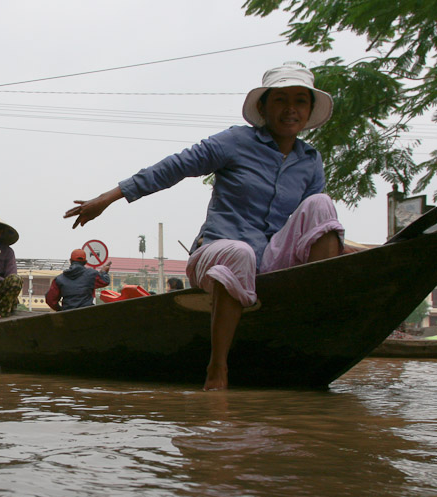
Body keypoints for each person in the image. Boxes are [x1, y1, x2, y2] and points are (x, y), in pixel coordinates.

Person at [64, 63, 345, 390]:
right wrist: (108, 198)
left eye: (300, 101)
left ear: (309, 110)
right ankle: (217, 369)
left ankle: (313, 327)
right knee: (240, 253)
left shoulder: (311, 160)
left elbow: (312, 225)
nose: (291, 109)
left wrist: (344, 248)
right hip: (218, 255)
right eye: (281, 100)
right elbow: (175, 167)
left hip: (272, 261)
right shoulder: (236, 141)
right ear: (264, 107)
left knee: (322, 204)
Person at [45, 249, 112, 311]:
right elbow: (105, 281)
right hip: (86, 316)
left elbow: (50, 300)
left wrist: (60, 310)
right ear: (85, 262)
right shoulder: (91, 275)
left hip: (67, 316)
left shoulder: (59, 279)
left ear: (70, 261)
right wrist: (104, 272)